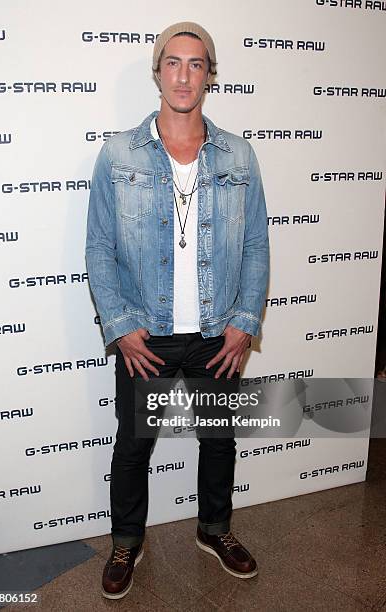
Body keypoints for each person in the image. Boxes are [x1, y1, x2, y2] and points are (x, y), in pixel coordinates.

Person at [85, 21, 270, 600]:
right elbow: (99, 247)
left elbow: (257, 244)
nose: (184, 74)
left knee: (218, 440)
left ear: (210, 75)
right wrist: (121, 328)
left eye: (197, 63)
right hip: (147, 335)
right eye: (173, 62)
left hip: (218, 334)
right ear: (157, 72)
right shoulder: (118, 155)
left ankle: (215, 530)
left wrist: (245, 322)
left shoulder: (239, 154)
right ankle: (126, 542)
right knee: (133, 445)